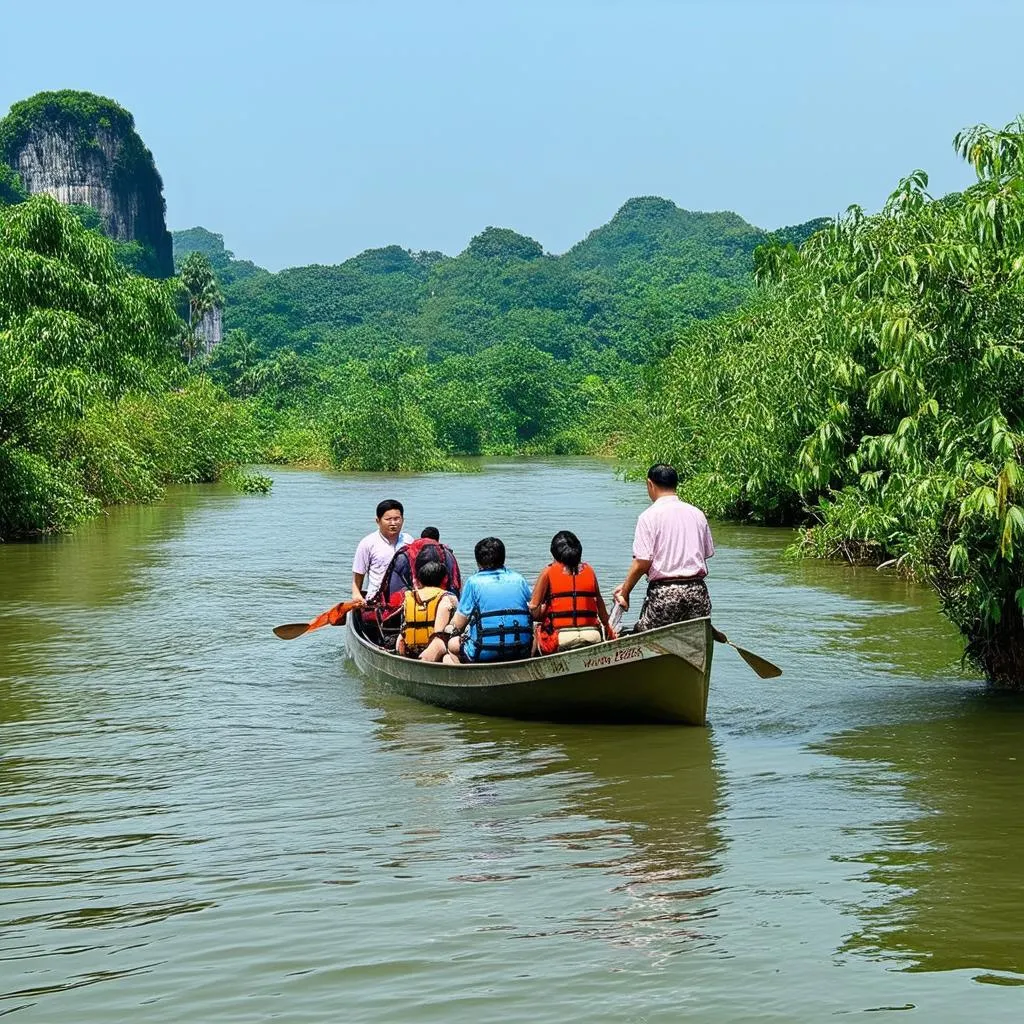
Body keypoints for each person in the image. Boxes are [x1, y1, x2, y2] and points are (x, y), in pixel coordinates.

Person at [613, 464, 715, 632]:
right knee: (694, 634)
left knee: (644, 634)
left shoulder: (648, 517)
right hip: (697, 591)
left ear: (650, 484)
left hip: (665, 593)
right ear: (676, 484)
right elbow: (706, 553)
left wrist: (625, 591)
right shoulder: (697, 513)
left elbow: (642, 563)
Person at [442, 537, 532, 664]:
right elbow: (531, 607)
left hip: (482, 651)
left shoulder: (473, 582)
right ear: (503, 558)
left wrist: (448, 628)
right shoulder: (519, 579)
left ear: (478, 562)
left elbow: (459, 623)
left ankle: (467, 677)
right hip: (521, 649)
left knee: (451, 646)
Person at [530, 530, 616, 654]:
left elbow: (534, 609)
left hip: (560, 639)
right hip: (593, 635)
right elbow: (600, 606)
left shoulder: (548, 572)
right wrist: (608, 628)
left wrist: (543, 612)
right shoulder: (590, 570)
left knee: (536, 630)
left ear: (554, 553)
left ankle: (532, 664)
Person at [351, 499, 413, 605]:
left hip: (405, 599)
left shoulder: (408, 541)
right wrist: (356, 595)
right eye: (388, 519)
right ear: (378, 521)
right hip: (377, 600)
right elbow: (359, 574)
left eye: (397, 519)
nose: (393, 523)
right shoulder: (368, 543)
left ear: (403, 520)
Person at [396, 558, 459, 661]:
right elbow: (440, 632)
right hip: (432, 651)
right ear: (444, 579)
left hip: (409, 649)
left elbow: (403, 626)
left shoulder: (409, 596)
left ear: (420, 580)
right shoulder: (448, 598)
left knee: (401, 635)